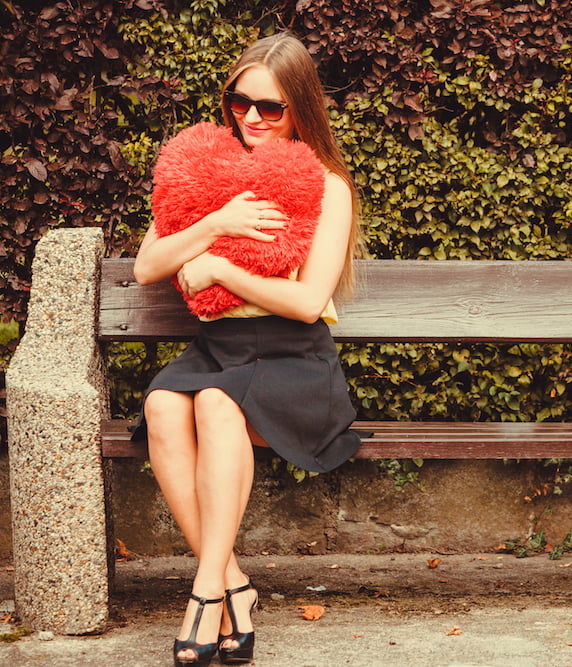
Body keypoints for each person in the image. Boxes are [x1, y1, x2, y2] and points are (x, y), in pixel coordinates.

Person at [131, 32, 365, 666]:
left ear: (301, 109)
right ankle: (235, 582)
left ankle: (206, 593)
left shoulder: (327, 186)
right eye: (240, 103)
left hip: (293, 357)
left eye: (271, 108)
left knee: (212, 402)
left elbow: (309, 300)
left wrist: (222, 273)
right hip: (219, 348)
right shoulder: (207, 173)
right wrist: (216, 224)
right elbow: (148, 264)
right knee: (162, 406)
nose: (253, 119)